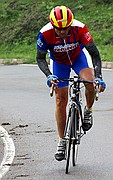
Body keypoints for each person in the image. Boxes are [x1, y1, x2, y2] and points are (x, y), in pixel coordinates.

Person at [36, 6, 106, 161]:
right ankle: (62, 141)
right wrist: (49, 76)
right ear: (53, 26)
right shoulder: (44, 34)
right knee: (61, 100)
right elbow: (40, 58)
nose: (63, 32)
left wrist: (98, 76)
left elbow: (94, 54)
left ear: (71, 24)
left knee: (89, 82)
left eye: (66, 28)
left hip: (78, 58)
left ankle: (88, 110)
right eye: (59, 29)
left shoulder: (79, 28)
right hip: (59, 63)